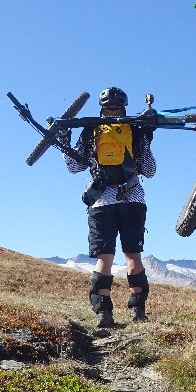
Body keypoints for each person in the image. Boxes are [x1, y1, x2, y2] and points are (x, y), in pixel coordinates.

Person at [63, 87, 156, 327]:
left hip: (101, 200)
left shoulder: (92, 129)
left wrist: (65, 143)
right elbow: (150, 170)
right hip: (133, 198)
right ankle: (138, 311)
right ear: (124, 106)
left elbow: (74, 167)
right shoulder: (133, 128)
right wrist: (146, 136)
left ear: (101, 108)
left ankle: (104, 313)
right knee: (132, 254)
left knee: (104, 257)